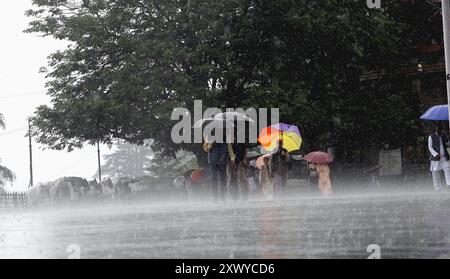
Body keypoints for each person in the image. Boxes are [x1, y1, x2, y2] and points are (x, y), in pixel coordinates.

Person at [203, 131, 233, 202]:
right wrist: (211, 144)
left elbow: (230, 152)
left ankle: (222, 196)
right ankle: (215, 197)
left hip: (223, 162)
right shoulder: (209, 138)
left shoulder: (226, 141)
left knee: (223, 179)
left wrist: (232, 159)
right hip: (213, 162)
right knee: (214, 178)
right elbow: (206, 149)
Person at [427, 124, 450, 191]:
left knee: (447, 169)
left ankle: (449, 184)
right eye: (438, 129)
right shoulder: (431, 137)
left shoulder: (444, 136)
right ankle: (437, 187)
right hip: (436, 158)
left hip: (444, 157)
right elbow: (430, 147)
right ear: (436, 129)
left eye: (441, 129)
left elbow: (447, 144)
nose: (440, 130)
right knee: (436, 172)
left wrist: (448, 139)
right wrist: (435, 154)